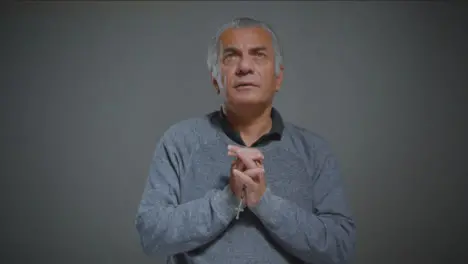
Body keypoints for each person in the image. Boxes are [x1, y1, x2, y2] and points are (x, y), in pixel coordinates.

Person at [135, 17, 356, 264]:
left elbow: (340, 247)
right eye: (231, 56)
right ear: (215, 79)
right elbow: (151, 235)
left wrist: (264, 202)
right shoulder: (179, 142)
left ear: (278, 78)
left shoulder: (314, 151)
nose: (244, 67)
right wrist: (228, 199)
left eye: (258, 55)